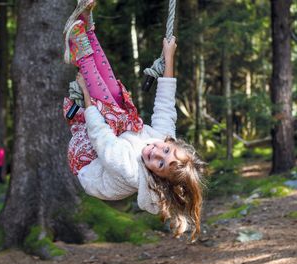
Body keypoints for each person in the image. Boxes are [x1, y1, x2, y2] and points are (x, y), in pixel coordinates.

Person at [63, 1, 205, 240]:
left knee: (115, 115)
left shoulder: (130, 170)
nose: (156, 152)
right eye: (167, 150)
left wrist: (86, 93)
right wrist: (168, 57)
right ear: (172, 143)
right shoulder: (160, 140)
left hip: (86, 159)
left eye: (160, 164)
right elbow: (165, 106)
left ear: (157, 178)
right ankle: (87, 32)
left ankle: (81, 49)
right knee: (118, 101)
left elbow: (101, 138)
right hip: (109, 134)